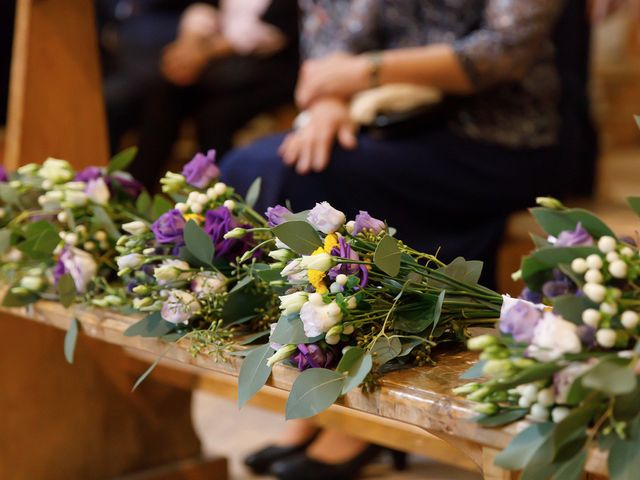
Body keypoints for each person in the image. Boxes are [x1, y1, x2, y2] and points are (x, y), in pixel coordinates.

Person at [221, 1, 595, 479]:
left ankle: (366, 392)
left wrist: (360, 73)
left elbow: (505, 49)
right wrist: (331, 99)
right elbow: (328, 35)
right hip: (382, 121)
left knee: (299, 183)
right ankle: (329, 386)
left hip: (498, 130)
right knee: (247, 169)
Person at [100, 0, 299, 191]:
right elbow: (204, 7)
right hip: (221, 63)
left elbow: (273, 32)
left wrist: (205, 52)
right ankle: (138, 188)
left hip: (272, 67)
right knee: (164, 90)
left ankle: (221, 196)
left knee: (216, 116)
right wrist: (189, 43)